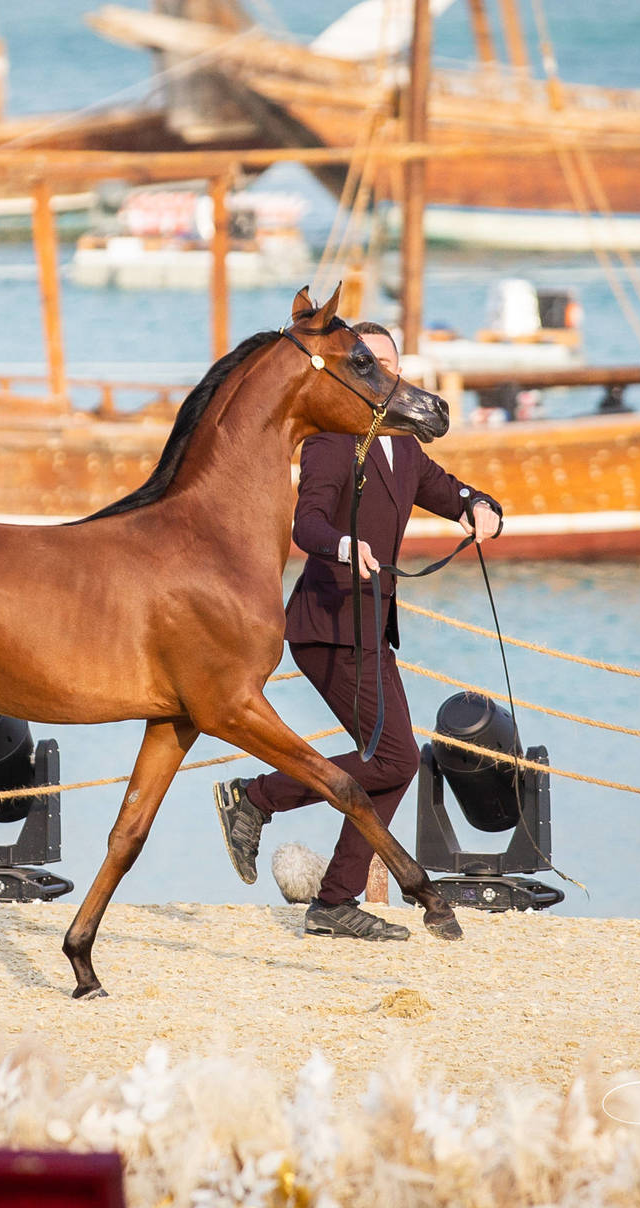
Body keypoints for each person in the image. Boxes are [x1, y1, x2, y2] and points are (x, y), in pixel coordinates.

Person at [214, 321, 503, 940]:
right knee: (396, 758)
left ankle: (332, 900)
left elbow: (449, 491)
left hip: (372, 631)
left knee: (394, 765)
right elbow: (307, 524)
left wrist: (480, 506)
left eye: (395, 369)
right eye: (377, 368)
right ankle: (257, 799)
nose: (391, 380)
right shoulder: (333, 440)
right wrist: (345, 546)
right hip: (327, 628)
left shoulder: (404, 447)